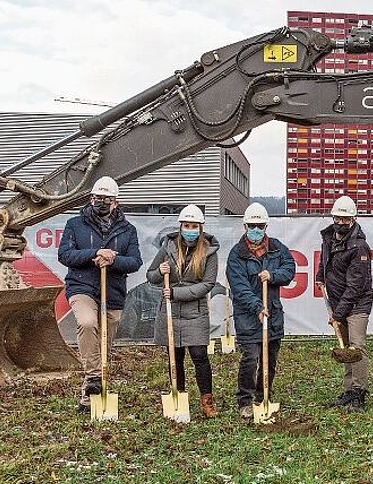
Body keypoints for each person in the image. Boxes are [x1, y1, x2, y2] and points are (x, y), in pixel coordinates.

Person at [58, 176, 142, 414]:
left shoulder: (128, 230)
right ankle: (93, 379)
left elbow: (135, 261)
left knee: (105, 339)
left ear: (116, 202)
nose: (101, 202)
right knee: (87, 323)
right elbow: (65, 255)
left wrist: (112, 259)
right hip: (82, 286)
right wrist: (95, 253)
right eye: (97, 198)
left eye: (106, 199)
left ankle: (91, 393)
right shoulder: (75, 224)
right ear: (91, 198)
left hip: (112, 291)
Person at [146, 205, 220, 418]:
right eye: (186, 225)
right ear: (180, 226)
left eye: (194, 226)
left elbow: (207, 284)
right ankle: (178, 396)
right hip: (170, 311)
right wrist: (160, 272)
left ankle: (207, 399)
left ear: (200, 227)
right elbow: (150, 276)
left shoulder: (209, 251)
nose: (190, 229)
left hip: (195, 311)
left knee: (199, 355)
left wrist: (177, 293)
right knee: (174, 356)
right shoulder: (168, 247)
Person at [226, 202, 296, 419]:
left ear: (266, 226)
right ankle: (245, 399)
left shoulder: (277, 248)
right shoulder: (237, 254)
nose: (256, 230)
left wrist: (272, 275)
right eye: (252, 226)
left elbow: (290, 269)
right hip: (248, 316)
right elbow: (239, 287)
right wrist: (257, 307)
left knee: (270, 359)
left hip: (273, 313)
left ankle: (263, 394)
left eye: (260, 226)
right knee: (251, 357)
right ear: (245, 226)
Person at [315, 195, 373, 413]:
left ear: (354, 219)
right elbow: (325, 260)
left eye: (345, 220)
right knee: (345, 348)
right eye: (337, 218)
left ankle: (359, 392)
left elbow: (355, 287)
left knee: (356, 348)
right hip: (338, 300)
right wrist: (320, 275)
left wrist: (338, 315)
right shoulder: (329, 238)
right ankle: (349, 390)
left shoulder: (359, 247)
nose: (340, 223)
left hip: (357, 304)